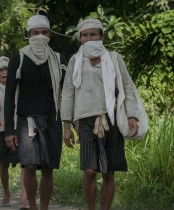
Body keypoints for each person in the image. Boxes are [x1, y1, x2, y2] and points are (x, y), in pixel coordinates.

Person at [60, 18, 140, 210]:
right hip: (85, 121)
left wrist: (132, 116)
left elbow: (127, 87)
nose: (89, 38)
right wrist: (67, 125)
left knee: (109, 172)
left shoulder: (113, 58)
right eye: (85, 35)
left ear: (102, 36)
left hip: (112, 119)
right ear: (80, 38)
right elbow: (68, 92)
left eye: (93, 34)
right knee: (89, 171)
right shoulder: (74, 61)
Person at [4, 14, 67, 210]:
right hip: (26, 122)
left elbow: (69, 93)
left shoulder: (58, 59)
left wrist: (69, 124)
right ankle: (32, 206)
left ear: (50, 34)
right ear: (28, 35)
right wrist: (9, 130)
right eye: (35, 33)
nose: (40, 36)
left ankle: (44, 207)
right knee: (29, 166)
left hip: (51, 119)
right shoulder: (19, 59)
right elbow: (9, 96)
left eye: (44, 32)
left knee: (48, 169)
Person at [0, 56, 29, 208]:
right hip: (3, 132)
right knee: (4, 164)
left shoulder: (21, 88)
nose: (4, 72)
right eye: (1, 71)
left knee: (25, 164)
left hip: (23, 129)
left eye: (6, 69)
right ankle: (6, 193)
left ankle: (24, 199)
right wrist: (1, 122)